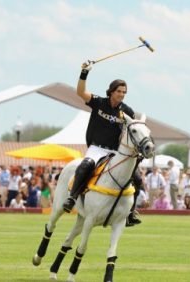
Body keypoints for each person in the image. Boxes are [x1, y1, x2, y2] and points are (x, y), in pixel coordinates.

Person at [62, 60, 143, 225]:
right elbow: (80, 92)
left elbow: (132, 133)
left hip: (114, 152)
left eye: (124, 92)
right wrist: (84, 72)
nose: (121, 94)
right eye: (119, 91)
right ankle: (72, 198)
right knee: (85, 166)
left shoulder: (127, 112)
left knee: (137, 178)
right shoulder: (99, 102)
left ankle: (131, 212)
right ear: (111, 91)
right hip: (96, 148)